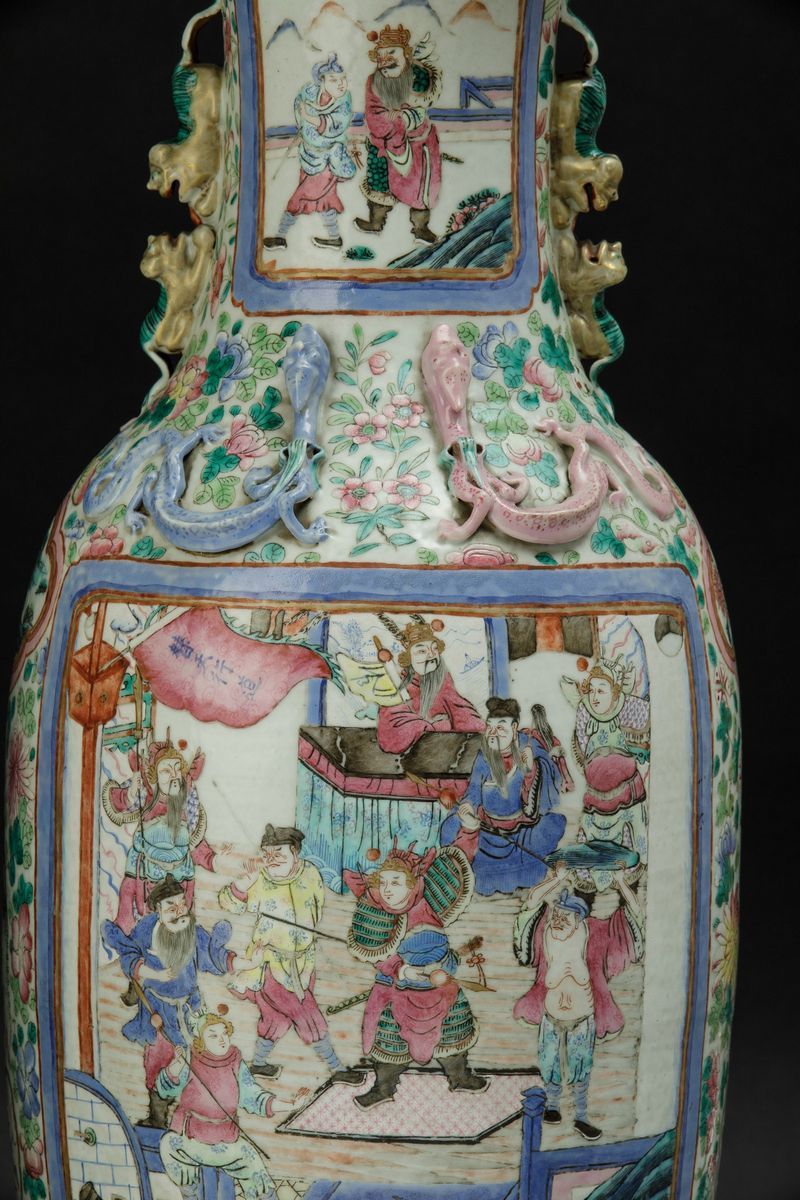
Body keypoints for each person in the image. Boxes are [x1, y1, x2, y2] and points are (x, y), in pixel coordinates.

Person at [343, 840, 487, 1109]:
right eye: (383, 883)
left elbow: (458, 859)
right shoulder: (374, 911)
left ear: (412, 884)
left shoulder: (428, 904)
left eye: (396, 882)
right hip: (396, 993)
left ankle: (459, 1077)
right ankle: (383, 1087)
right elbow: (379, 954)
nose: (388, 889)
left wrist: (469, 831)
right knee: (389, 1042)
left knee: (453, 1034)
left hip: (440, 990)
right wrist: (400, 968)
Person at [218, 824, 363, 1084]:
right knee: (307, 1014)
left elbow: (317, 907)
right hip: (272, 965)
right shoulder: (260, 879)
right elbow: (229, 904)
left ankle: (258, 1064)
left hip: (304, 962)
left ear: (295, 852)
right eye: (267, 853)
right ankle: (336, 1068)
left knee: (276, 1018)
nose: (272, 858)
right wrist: (242, 886)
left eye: (279, 852)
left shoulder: (310, 873)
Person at [513, 864, 643, 1141]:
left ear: (580, 920)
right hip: (551, 1013)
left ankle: (581, 1116)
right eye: (557, 914)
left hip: (582, 1014)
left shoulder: (596, 934)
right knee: (549, 1059)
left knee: (580, 1064)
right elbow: (532, 902)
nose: (558, 920)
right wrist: (555, 881)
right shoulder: (546, 933)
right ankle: (552, 1105)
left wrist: (622, 883)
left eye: (565, 916)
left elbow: (634, 913)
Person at [101, 875, 238, 1129]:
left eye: (181, 903)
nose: (178, 910)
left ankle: (191, 1113)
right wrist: (156, 974)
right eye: (170, 905)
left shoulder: (192, 930)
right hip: (158, 1009)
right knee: (158, 1060)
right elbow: (130, 955)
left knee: (195, 1058)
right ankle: (157, 1116)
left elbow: (213, 954)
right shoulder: (146, 929)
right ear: (157, 909)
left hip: (189, 1008)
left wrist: (237, 962)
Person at [157, 1007, 306, 1200]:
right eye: (213, 1035)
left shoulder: (235, 1062)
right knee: (167, 1145)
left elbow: (254, 1096)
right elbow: (165, 1091)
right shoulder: (189, 1058)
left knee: (254, 1165)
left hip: (226, 1141)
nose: (221, 1039)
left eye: (224, 1033)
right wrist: (175, 1068)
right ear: (201, 1040)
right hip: (190, 1139)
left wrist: (291, 1105)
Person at [103, 732, 230, 935]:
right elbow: (119, 802)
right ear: (154, 774)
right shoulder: (146, 792)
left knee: (179, 921)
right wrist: (131, 792)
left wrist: (211, 860)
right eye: (165, 770)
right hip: (146, 872)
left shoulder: (187, 798)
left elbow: (195, 838)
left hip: (179, 875)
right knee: (137, 911)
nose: (173, 775)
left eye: (177, 769)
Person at [440, 697, 566, 894]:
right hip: (488, 828)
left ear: (514, 728)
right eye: (490, 727)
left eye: (500, 727)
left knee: (540, 844)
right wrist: (469, 806)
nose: (493, 733)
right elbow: (474, 791)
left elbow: (537, 803)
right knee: (450, 827)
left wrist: (530, 771)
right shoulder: (484, 756)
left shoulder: (528, 749)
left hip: (522, 830)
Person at [355, 25, 442, 244]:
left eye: (392, 52)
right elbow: (373, 113)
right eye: (382, 54)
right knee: (379, 182)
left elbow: (422, 103)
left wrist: (405, 118)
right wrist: (393, 124)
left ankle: (421, 228)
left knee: (420, 186)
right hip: (384, 140)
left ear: (406, 53)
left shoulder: (418, 77)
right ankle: (376, 222)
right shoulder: (374, 82)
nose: (386, 59)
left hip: (418, 140)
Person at [561, 657, 649, 867]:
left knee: (632, 836)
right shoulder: (585, 711)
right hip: (597, 794)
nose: (594, 697)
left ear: (615, 693)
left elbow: (648, 714)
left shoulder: (625, 707)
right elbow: (583, 747)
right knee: (595, 837)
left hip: (627, 791)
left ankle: (637, 867)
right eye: (591, 690)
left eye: (601, 691)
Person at [264, 54, 357, 252]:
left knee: (300, 197)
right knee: (325, 200)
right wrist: (303, 117)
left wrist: (309, 117)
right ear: (321, 81)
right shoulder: (309, 92)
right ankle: (335, 238)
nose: (341, 84)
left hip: (328, 160)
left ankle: (280, 236)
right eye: (333, 80)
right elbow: (300, 105)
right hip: (309, 157)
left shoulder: (344, 101)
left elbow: (336, 124)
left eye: (343, 79)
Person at [376, 617, 483, 753]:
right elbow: (391, 727)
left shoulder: (443, 682)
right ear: (409, 658)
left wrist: (477, 728)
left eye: (434, 649)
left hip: (446, 751)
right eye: (422, 651)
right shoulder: (396, 686)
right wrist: (431, 728)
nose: (431, 655)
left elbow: (461, 710)